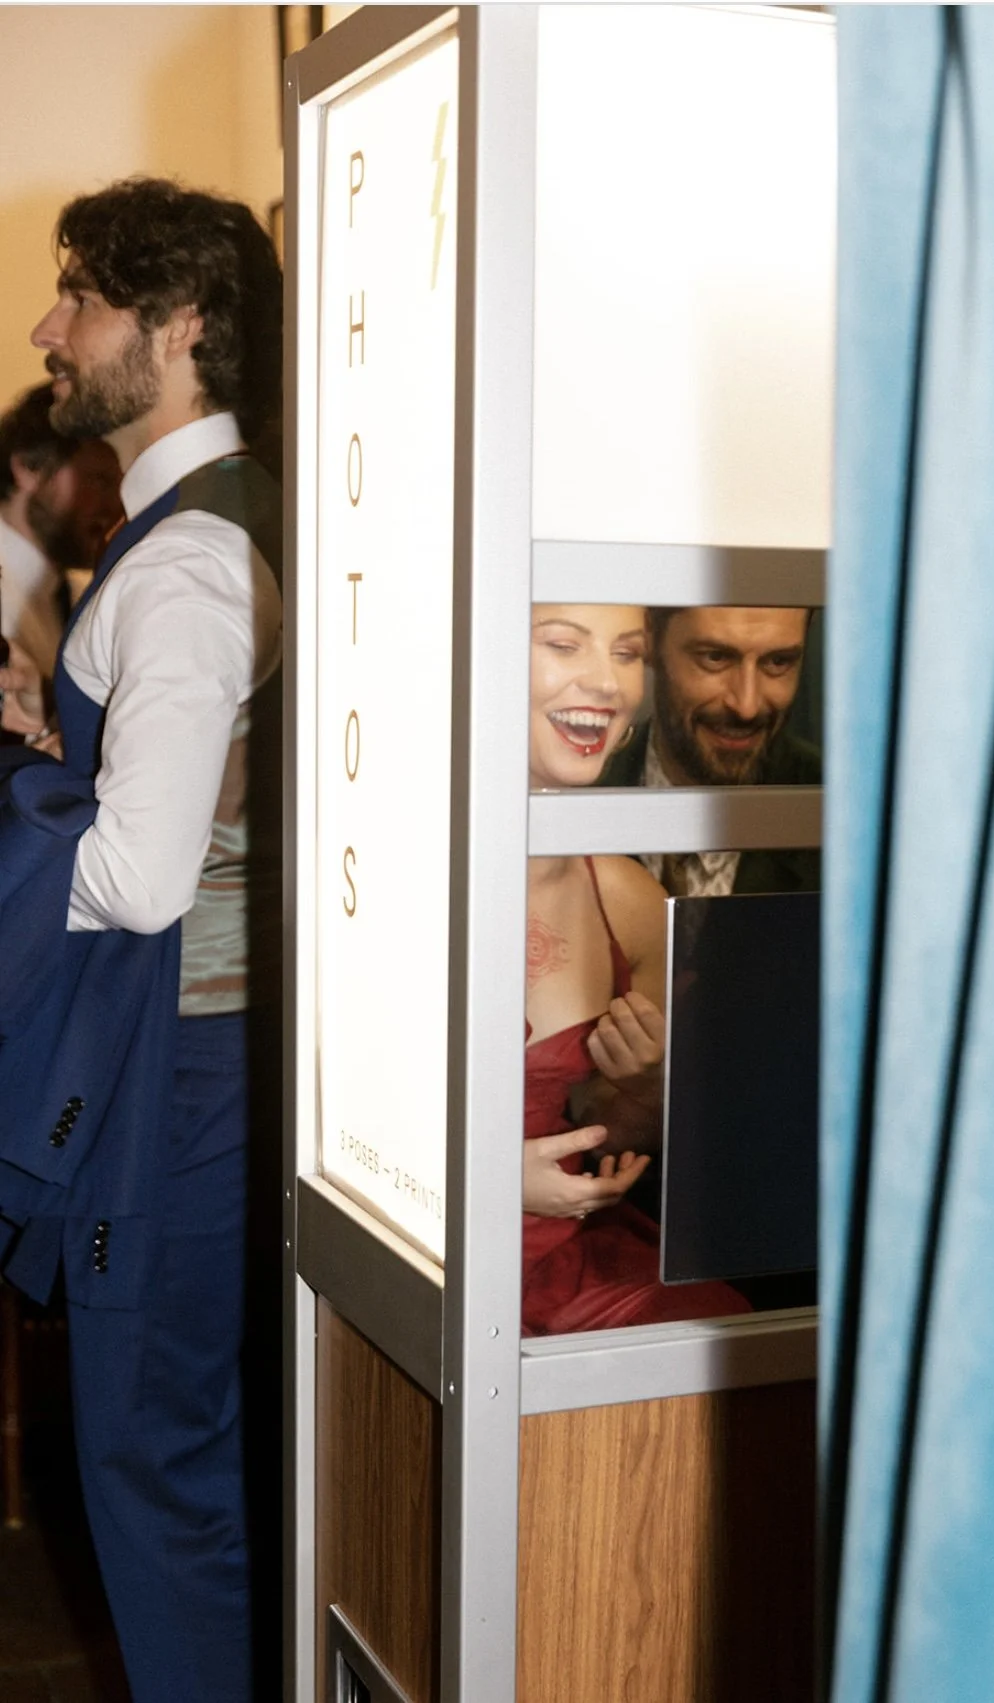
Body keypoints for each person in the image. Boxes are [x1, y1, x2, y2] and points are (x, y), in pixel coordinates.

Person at [0, 178, 283, 1703]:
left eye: (81, 296)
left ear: (175, 329)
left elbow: (142, 869)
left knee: (150, 1477)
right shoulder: (228, 526)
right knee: (193, 1463)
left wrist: (28, 797)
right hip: (217, 1062)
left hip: (174, 1077)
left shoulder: (178, 560)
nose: (51, 327)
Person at [522, 604, 751, 1333]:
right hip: (419, 1258)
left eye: (627, 653)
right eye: (563, 642)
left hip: (576, 1264)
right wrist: (485, 1183)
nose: (607, 681)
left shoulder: (627, 898)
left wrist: (646, 1085)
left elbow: (613, 1131)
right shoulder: (374, 866)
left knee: (715, 1326)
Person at [601, 604, 822, 896]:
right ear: (651, 638)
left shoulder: (846, 820)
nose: (747, 706)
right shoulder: (577, 802)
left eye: (778, 662)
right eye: (715, 658)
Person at [0, 382, 121, 681]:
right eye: (100, 481)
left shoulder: (77, 600)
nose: (116, 506)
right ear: (29, 467)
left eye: (123, 486)